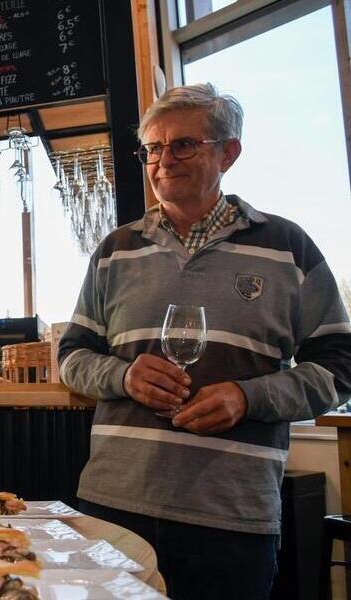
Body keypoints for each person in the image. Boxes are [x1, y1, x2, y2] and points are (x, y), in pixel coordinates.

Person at [57, 83, 351, 599]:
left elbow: (341, 366)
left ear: (228, 152)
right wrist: (123, 375)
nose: (163, 160)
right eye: (152, 148)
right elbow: (73, 356)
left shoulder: (287, 247)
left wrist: (248, 397)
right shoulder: (115, 250)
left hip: (231, 517)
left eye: (183, 145)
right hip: (112, 503)